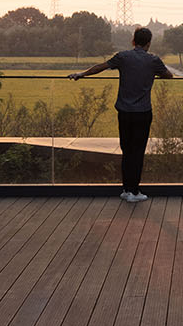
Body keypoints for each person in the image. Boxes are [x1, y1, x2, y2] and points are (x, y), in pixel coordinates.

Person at [69, 26, 172, 202]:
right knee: (138, 152)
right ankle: (135, 191)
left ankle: (126, 189)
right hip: (142, 112)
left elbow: (101, 67)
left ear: (133, 41)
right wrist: (153, 74)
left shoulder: (123, 57)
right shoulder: (154, 60)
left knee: (127, 150)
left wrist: (81, 74)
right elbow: (169, 76)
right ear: (149, 43)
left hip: (124, 111)